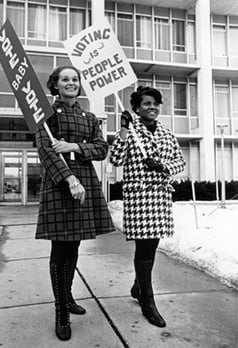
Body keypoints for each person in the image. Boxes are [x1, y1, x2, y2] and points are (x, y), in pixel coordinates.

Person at [35, 65, 115, 341]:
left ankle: (67, 296)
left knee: (76, 243)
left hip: (85, 184)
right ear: (55, 85)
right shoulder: (45, 116)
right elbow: (45, 150)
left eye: (75, 79)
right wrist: (69, 179)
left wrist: (74, 147)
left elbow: (102, 149)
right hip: (61, 185)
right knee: (61, 247)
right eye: (64, 79)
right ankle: (61, 311)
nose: (71, 83)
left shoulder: (89, 117)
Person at [109, 86, 186, 328]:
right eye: (146, 104)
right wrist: (122, 130)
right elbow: (115, 159)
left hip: (160, 197)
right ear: (136, 108)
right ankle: (147, 300)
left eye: (155, 103)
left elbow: (179, 161)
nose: (151, 107)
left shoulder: (166, 132)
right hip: (140, 197)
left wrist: (162, 166)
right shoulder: (130, 132)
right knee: (145, 248)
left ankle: (137, 286)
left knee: (151, 247)